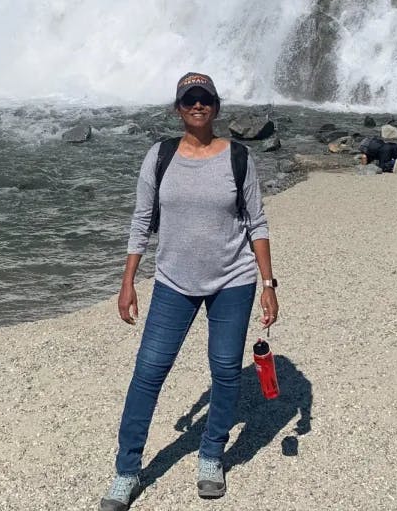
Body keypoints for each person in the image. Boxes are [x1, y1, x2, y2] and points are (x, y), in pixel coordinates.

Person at [102, 72, 278, 511]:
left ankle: (211, 455)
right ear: (178, 108)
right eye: (189, 100)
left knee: (223, 370)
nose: (197, 106)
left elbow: (256, 223)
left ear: (216, 108)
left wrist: (268, 284)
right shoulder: (160, 157)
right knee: (148, 373)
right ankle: (126, 471)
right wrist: (127, 283)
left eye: (205, 99)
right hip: (173, 283)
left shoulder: (239, 157)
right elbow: (141, 221)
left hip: (233, 281)